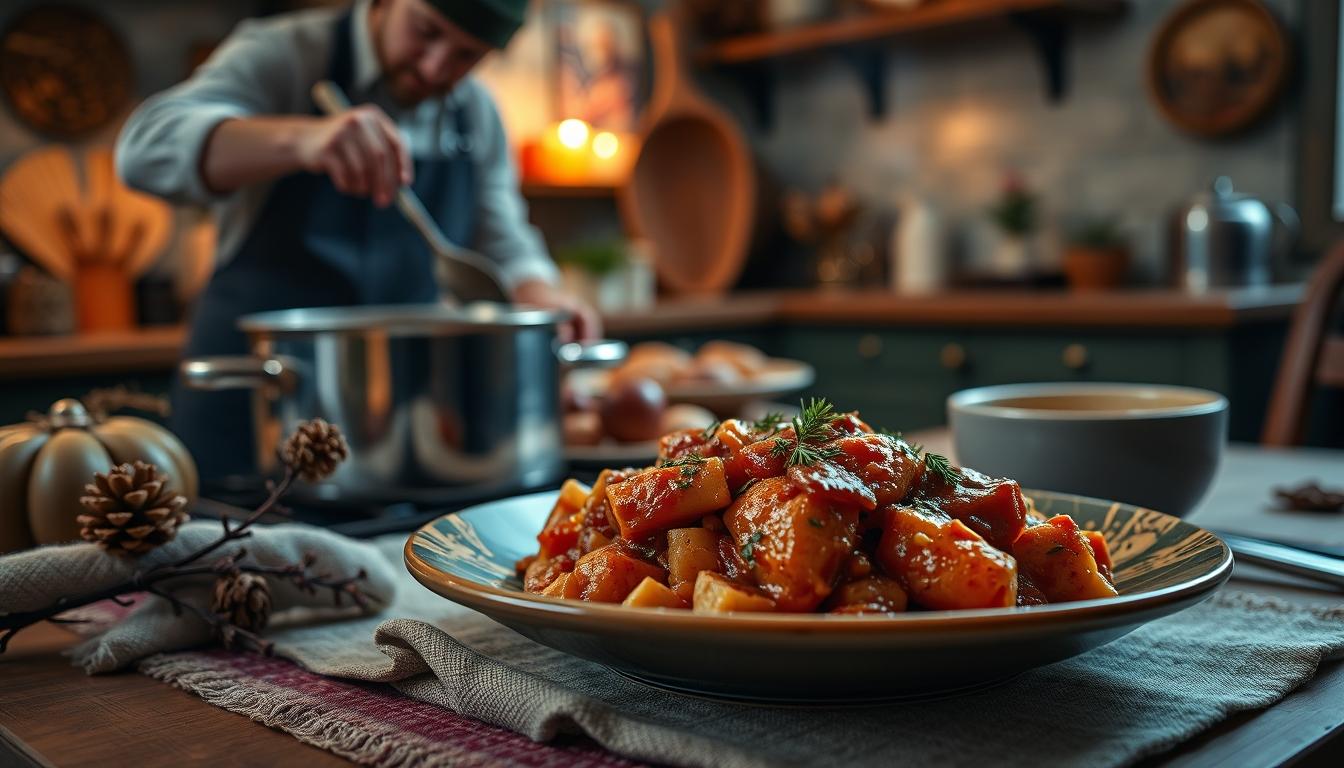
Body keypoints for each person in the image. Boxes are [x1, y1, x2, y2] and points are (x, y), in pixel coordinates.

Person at [116, 0, 599, 481]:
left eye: (465, 56)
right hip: (256, 410)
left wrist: (543, 299)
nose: (435, 67)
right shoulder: (285, 53)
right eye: (426, 31)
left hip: (395, 431)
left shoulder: (475, 114)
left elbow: (503, 238)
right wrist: (301, 141)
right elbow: (141, 150)